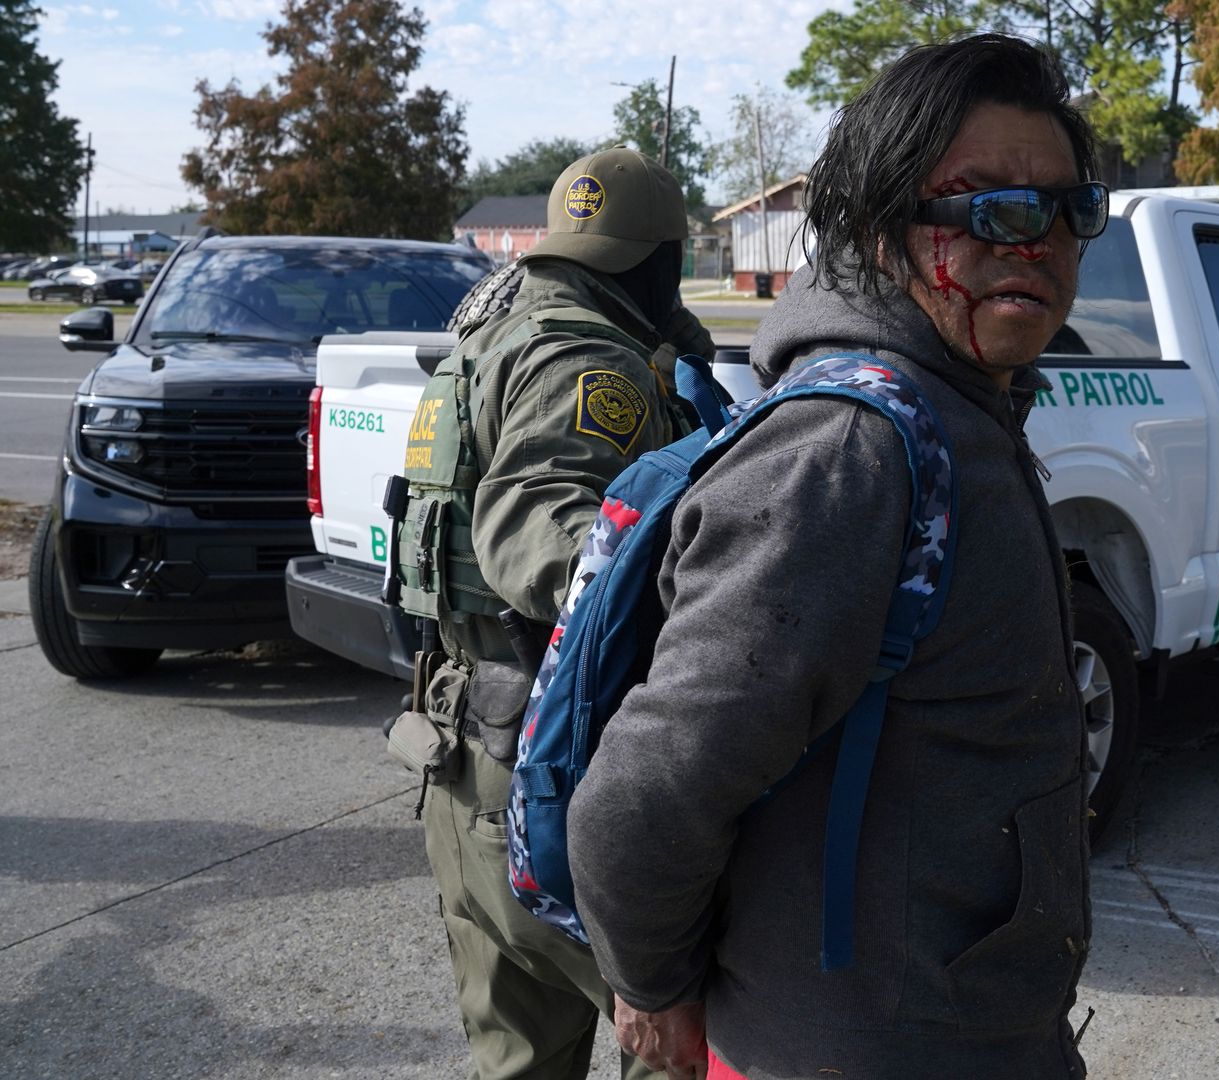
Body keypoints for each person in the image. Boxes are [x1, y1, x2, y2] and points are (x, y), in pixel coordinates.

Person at [567, 34, 1104, 1080]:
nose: (1036, 242)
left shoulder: (970, 405)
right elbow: (643, 797)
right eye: (988, 207)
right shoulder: (848, 453)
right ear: (874, 225)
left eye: (1068, 209)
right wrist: (658, 984)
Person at [389, 146, 713, 1080]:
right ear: (659, 261)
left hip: (456, 752)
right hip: (546, 768)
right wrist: (693, 587)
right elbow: (535, 516)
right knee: (675, 1049)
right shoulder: (589, 359)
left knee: (519, 1059)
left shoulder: (490, 337)